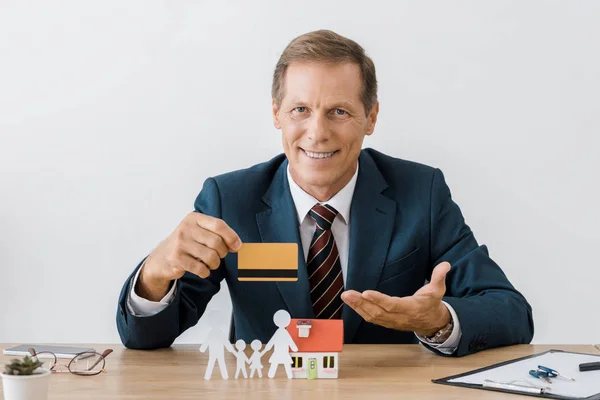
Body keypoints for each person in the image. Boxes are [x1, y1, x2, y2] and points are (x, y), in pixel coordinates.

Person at [116, 29, 534, 357]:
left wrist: (438, 320)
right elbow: (144, 338)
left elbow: (511, 312)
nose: (317, 132)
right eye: (300, 109)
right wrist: (154, 273)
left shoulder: (420, 193)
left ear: (370, 117)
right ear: (276, 114)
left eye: (339, 111)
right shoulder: (230, 199)